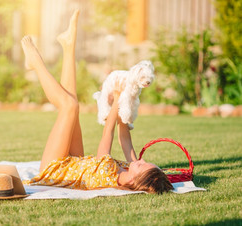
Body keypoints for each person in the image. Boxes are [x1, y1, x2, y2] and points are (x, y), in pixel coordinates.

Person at [21, 10, 173, 194]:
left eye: (141, 166)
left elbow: (107, 133)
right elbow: (123, 136)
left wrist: (117, 98)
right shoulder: (130, 169)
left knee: (69, 106)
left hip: (53, 171)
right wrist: (127, 99)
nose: (140, 161)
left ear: (135, 180)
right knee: (72, 102)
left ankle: (35, 63)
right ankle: (69, 46)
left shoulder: (108, 177)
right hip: (75, 163)